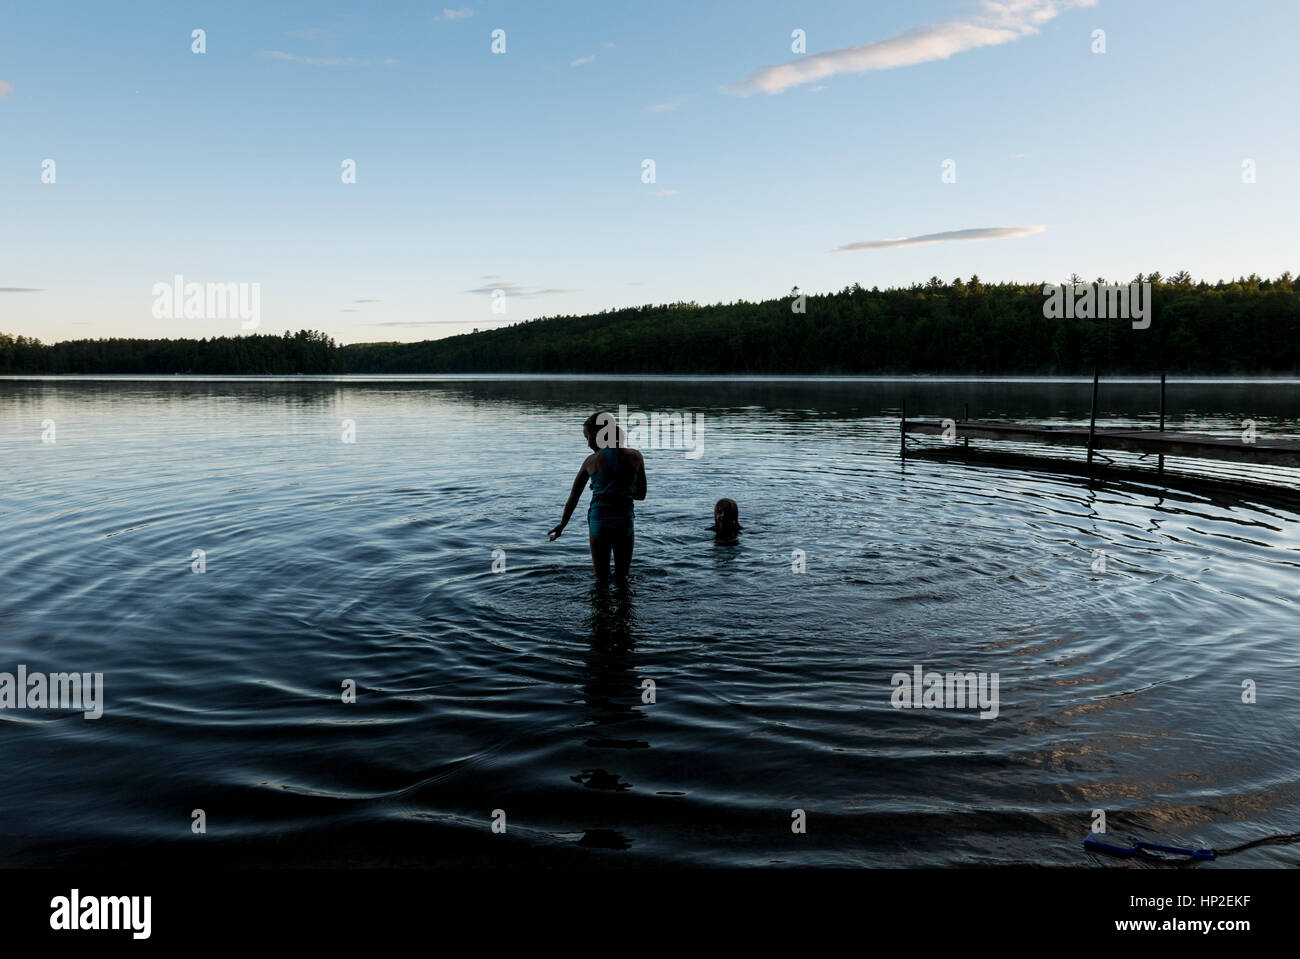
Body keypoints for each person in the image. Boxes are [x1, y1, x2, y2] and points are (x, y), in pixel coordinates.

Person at [548, 412, 647, 578]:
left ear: (597, 435)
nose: (587, 444)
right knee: (623, 578)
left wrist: (562, 524)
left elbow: (574, 497)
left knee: (601, 580)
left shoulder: (591, 461)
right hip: (624, 521)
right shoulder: (635, 457)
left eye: (587, 437)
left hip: (599, 522)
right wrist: (619, 491)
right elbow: (641, 495)